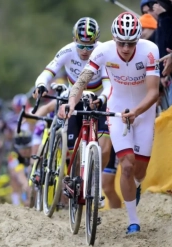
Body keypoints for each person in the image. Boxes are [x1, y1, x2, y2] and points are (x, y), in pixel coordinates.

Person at [58, 12, 160, 234]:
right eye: (121, 43)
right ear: (114, 39)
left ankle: (137, 185)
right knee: (127, 165)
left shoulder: (150, 50)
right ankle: (133, 221)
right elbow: (81, 82)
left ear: (137, 40)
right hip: (116, 107)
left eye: (130, 43)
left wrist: (136, 111)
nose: (125, 48)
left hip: (144, 110)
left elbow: (153, 92)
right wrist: (71, 103)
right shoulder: (102, 51)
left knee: (139, 172)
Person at [33, 17, 121, 208]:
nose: (84, 51)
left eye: (89, 47)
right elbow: (49, 71)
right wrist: (41, 85)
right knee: (72, 150)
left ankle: (95, 184)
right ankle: (73, 181)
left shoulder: (102, 52)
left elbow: (108, 85)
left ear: (96, 42)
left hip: (99, 99)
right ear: (74, 40)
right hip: (74, 98)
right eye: (81, 46)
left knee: (105, 148)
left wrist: (103, 99)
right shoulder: (67, 51)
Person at [8, 130, 32, 206]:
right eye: (21, 148)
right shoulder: (13, 154)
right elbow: (18, 172)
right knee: (14, 175)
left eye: (26, 148)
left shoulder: (34, 150)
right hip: (20, 173)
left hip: (30, 172)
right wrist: (25, 183)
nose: (24, 151)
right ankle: (16, 202)